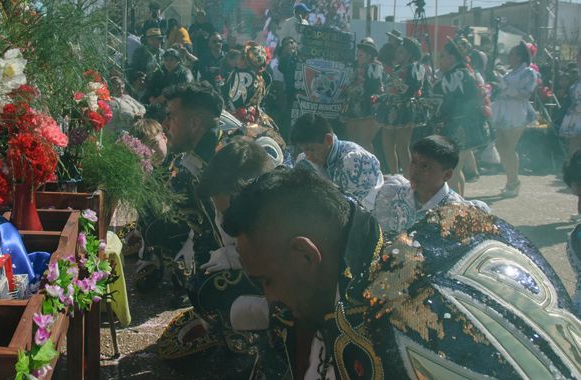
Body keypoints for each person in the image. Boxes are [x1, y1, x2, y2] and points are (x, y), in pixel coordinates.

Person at [223, 168, 581, 380]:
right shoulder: (454, 225)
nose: (270, 297)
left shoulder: (377, 326)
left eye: (267, 280)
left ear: (305, 255)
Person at [157, 138, 275, 360]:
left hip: (301, 304)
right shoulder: (233, 206)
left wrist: (238, 260)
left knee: (219, 288)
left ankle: (255, 351)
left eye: (225, 211)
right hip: (267, 286)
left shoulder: (281, 210)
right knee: (204, 286)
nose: (221, 219)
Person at [138, 82, 223, 291]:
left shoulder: (230, 158)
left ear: (194, 124)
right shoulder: (190, 159)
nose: (165, 124)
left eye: (171, 117)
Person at [373, 135, 490, 236]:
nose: (415, 171)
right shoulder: (394, 193)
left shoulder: (457, 212)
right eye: (413, 162)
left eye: (426, 167)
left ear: (447, 175)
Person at [430, 38, 491, 195]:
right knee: (456, 170)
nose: (439, 60)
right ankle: (460, 206)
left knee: (451, 173)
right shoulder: (466, 73)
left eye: (442, 56)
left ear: (452, 58)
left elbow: (445, 104)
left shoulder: (454, 76)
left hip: (458, 128)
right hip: (467, 126)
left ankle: (456, 212)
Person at [290, 113, 383, 208]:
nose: (308, 156)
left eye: (311, 150)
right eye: (305, 151)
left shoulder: (355, 160)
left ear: (328, 140)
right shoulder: (304, 160)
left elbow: (358, 210)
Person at [491, 41, 538, 198]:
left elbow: (526, 93)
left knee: (509, 147)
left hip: (516, 111)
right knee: (500, 145)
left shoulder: (528, 72)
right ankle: (510, 179)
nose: (509, 57)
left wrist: (506, 87)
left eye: (512, 54)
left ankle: (513, 182)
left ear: (520, 56)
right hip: (502, 110)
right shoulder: (508, 73)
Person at [377, 36, 425, 174]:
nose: (397, 54)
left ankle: (409, 180)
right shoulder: (397, 69)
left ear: (409, 55)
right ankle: (394, 175)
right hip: (390, 107)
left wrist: (397, 85)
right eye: (397, 52)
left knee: (402, 147)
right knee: (387, 144)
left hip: (404, 109)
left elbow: (412, 88)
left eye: (401, 52)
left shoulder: (414, 68)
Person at [342, 37, 383, 152]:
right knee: (353, 141)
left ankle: (370, 167)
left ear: (369, 56)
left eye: (361, 55)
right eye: (358, 55)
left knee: (364, 141)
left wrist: (356, 89)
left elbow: (373, 87)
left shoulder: (375, 67)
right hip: (354, 107)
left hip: (369, 107)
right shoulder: (356, 67)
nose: (358, 58)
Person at [269, 36, 299, 136]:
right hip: (288, 99)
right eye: (288, 43)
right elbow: (279, 88)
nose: (292, 45)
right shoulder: (279, 65)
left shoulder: (299, 61)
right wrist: (283, 107)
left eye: (293, 42)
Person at [559, 48, 581, 158]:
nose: (577, 58)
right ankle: (572, 170)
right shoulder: (577, 76)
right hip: (576, 115)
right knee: (573, 146)